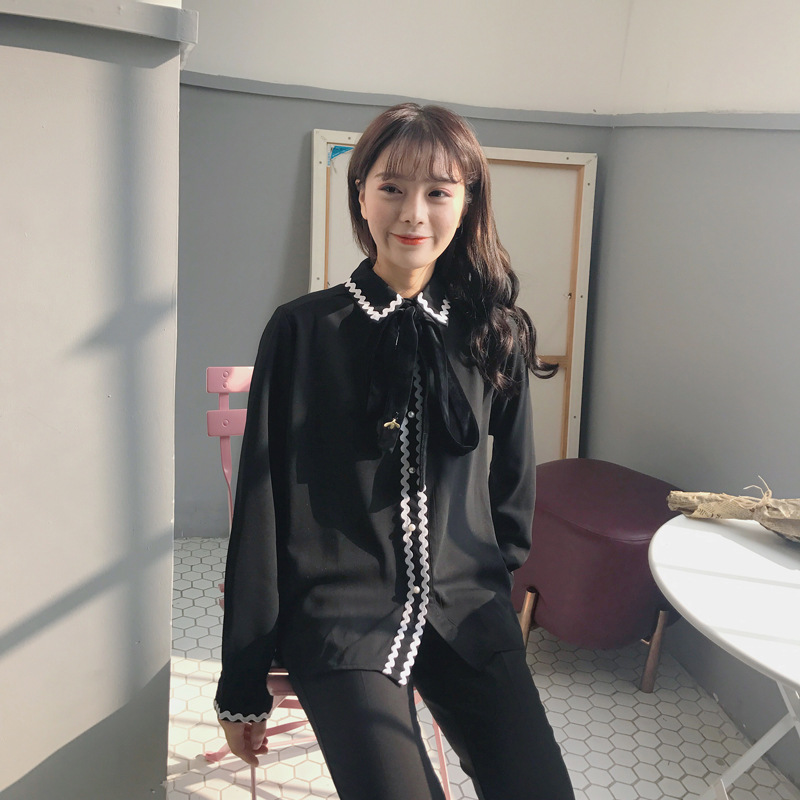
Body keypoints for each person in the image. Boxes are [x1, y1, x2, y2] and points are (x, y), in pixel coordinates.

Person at [214, 103, 575, 800]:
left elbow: (513, 486)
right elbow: (261, 509)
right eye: (391, 188)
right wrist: (242, 681)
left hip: (467, 608)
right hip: (339, 615)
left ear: (467, 203)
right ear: (361, 195)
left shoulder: (494, 331)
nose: (414, 213)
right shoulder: (301, 331)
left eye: (438, 191)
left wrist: (489, 581)